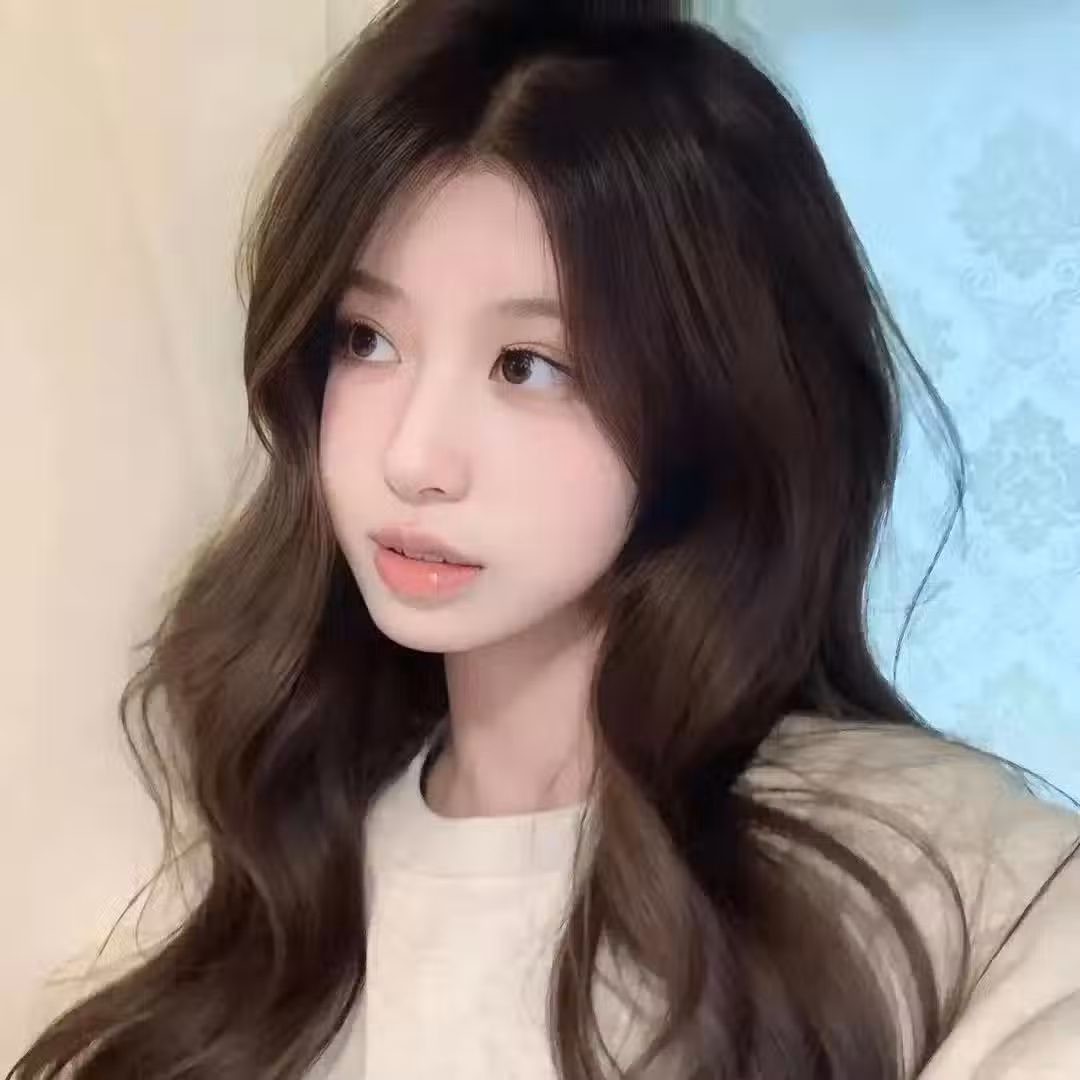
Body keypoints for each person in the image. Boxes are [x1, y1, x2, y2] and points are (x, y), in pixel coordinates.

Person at [9, 1, 1079, 1078]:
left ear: (712, 401)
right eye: (366, 340)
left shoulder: (942, 878)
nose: (414, 458)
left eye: (527, 365)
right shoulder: (274, 897)